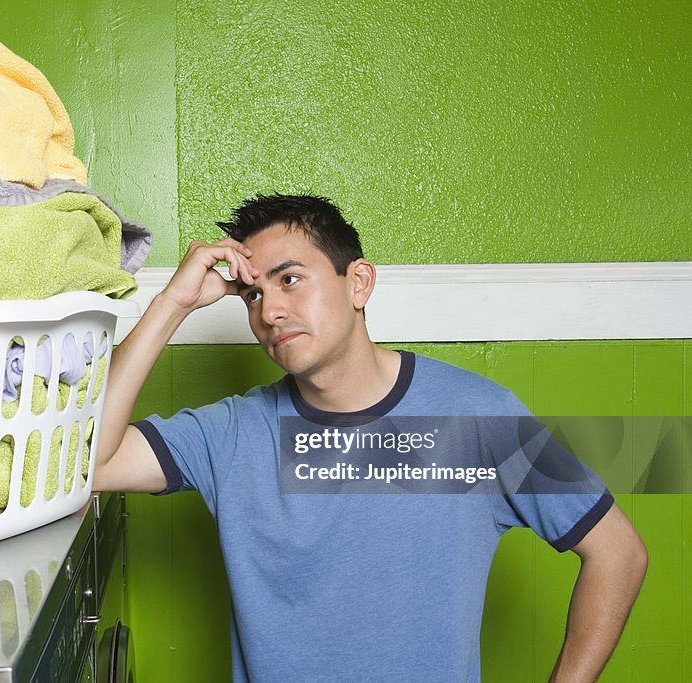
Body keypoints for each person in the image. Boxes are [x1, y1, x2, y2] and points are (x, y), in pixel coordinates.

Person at [93, 193, 648, 682]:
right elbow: (90, 465)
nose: (271, 312)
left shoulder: (478, 419)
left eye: (289, 279)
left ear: (358, 282)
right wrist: (174, 304)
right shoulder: (234, 433)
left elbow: (617, 553)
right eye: (253, 297)